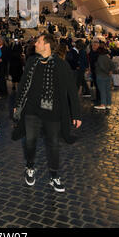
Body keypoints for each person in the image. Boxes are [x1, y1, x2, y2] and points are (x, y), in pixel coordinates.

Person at [13, 32, 82, 193]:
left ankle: (54, 176)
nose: (35, 44)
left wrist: (76, 114)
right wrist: (17, 104)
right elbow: (23, 84)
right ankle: (30, 167)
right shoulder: (31, 61)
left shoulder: (61, 64)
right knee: (30, 142)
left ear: (47, 45)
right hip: (31, 110)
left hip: (53, 112)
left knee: (53, 145)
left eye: (38, 41)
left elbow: (71, 90)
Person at [94, 43, 117, 110]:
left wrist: (107, 72)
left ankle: (103, 104)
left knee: (102, 91)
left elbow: (102, 67)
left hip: (101, 76)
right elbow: (113, 65)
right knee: (108, 91)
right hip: (108, 77)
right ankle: (109, 104)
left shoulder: (100, 58)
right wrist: (111, 71)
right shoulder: (107, 57)